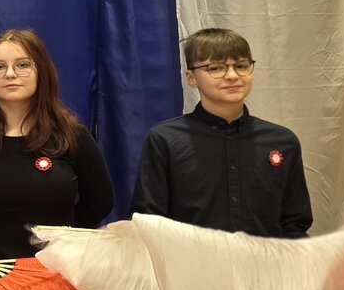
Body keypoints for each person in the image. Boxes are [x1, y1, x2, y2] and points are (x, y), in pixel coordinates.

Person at [0, 29, 113, 264]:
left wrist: (65, 238)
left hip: (54, 270)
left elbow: (100, 200)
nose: (10, 74)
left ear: (42, 71)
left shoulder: (71, 135)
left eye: (22, 65)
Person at [130, 28, 312, 237]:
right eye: (216, 68)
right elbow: (148, 221)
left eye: (241, 66)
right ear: (191, 78)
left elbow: (295, 223)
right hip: (189, 257)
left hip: (264, 256)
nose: (232, 76)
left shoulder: (281, 141)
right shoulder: (165, 139)